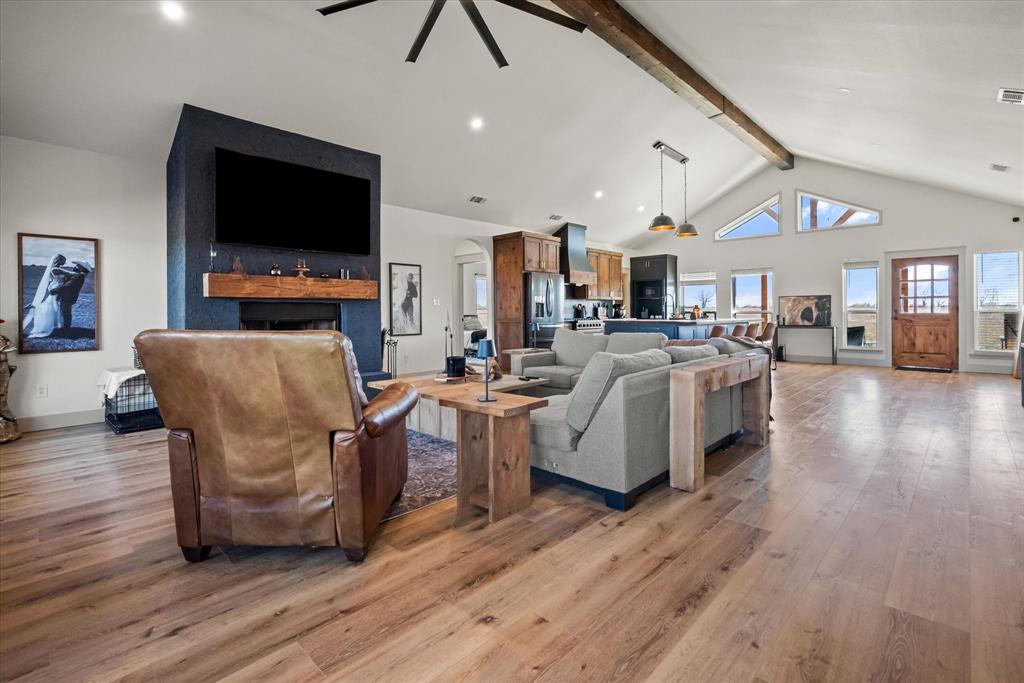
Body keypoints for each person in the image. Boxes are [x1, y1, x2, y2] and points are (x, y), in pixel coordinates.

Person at [23, 254, 64, 338]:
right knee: (53, 305)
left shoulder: (57, 268)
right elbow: (66, 275)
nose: (65, 262)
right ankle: (50, 324)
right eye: (64, 260)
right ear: (59, 260)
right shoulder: (55, 269)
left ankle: (55, 324)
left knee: (54, 305)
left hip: (56, 286)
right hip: (56, 287)